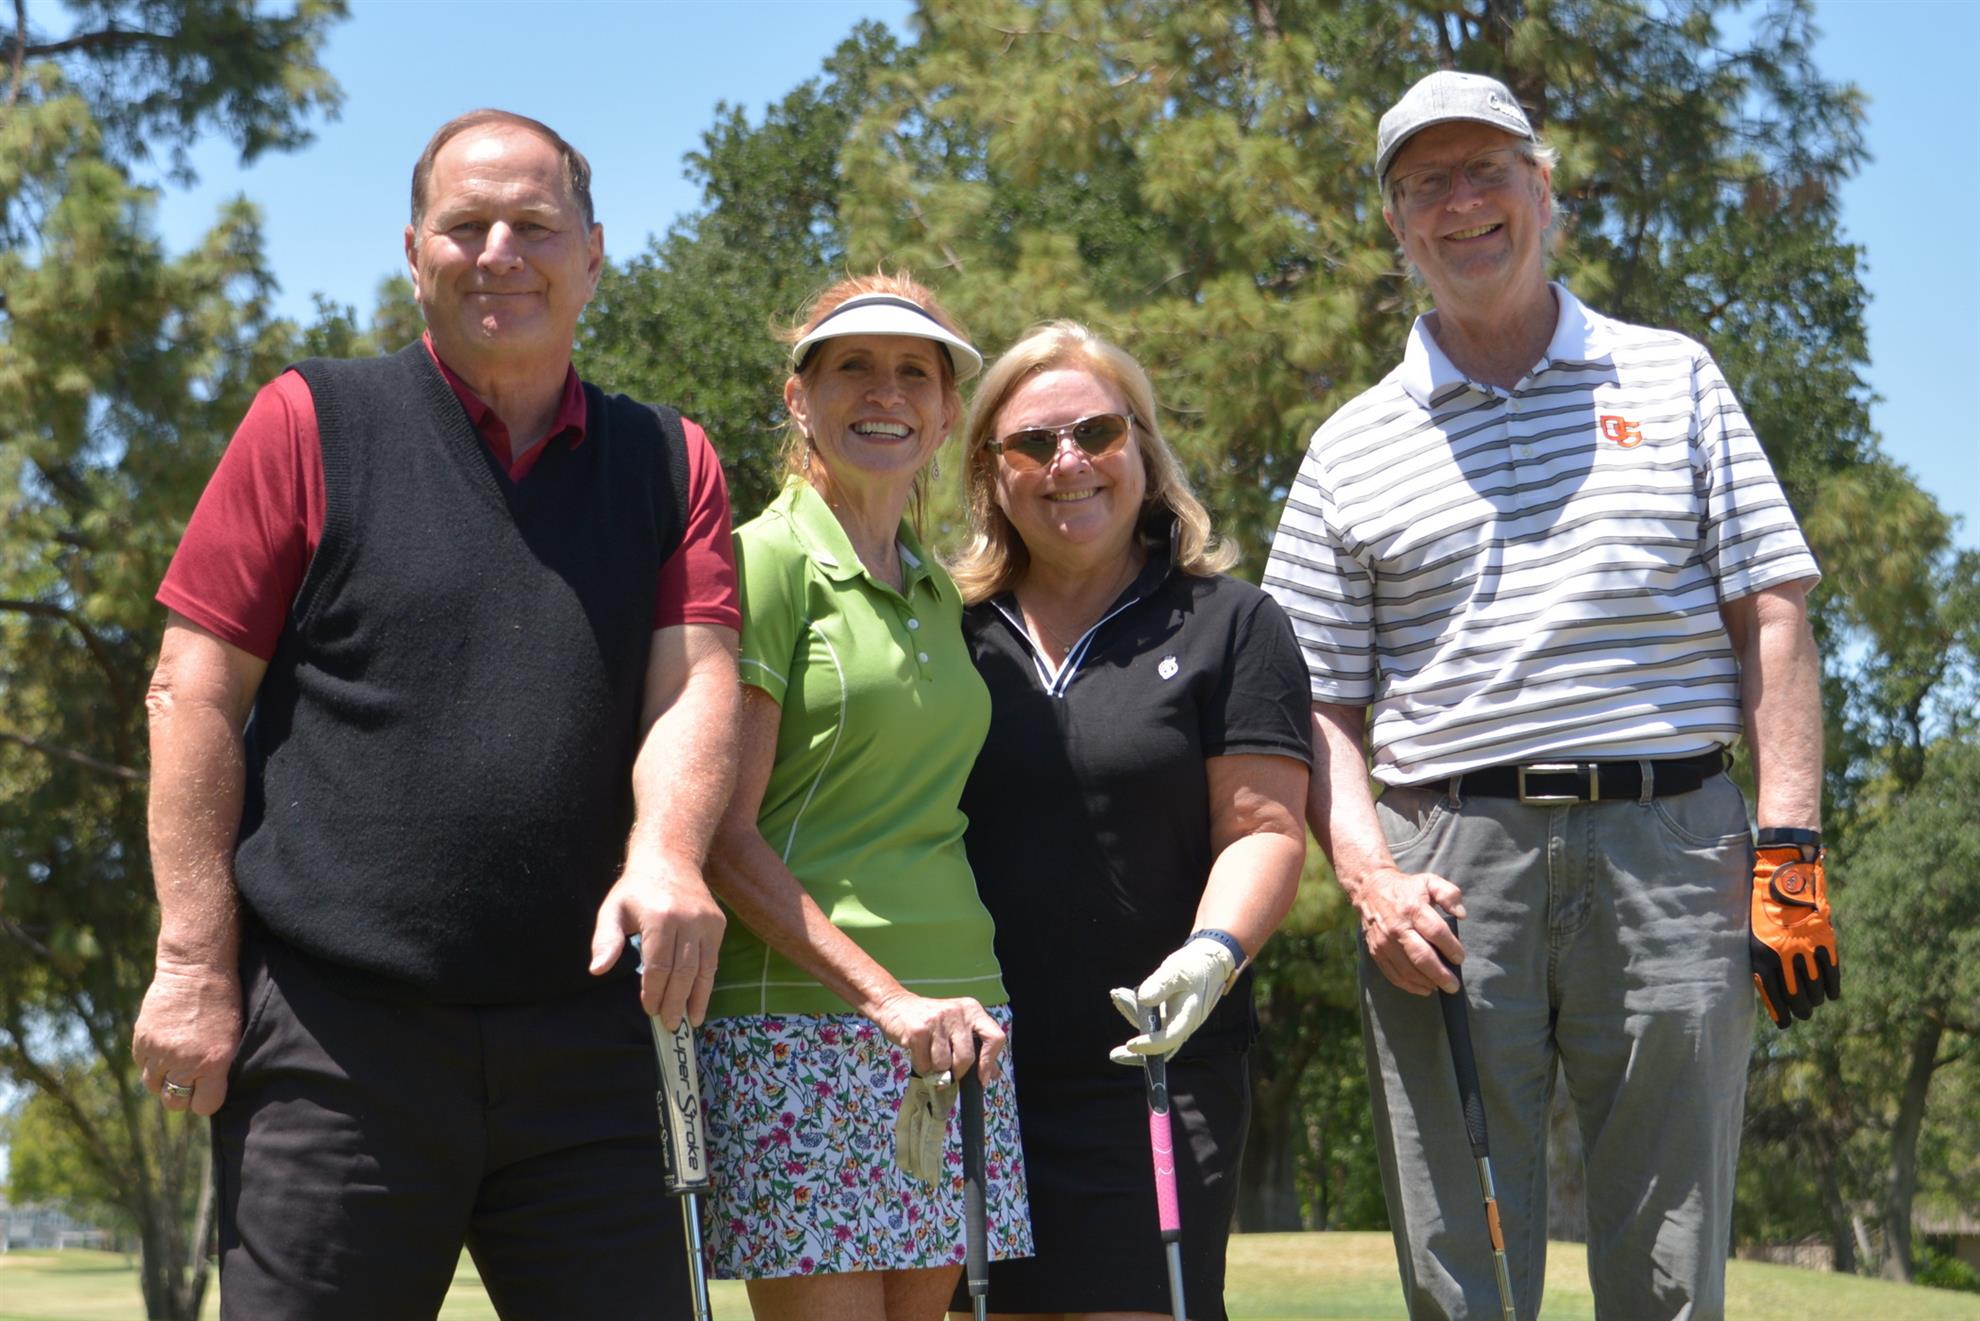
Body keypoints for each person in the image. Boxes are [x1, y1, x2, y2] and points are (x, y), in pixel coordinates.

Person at [131, 109, 742, 1319]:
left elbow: (696, 682)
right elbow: (193, 690)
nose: (500, 250)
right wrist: (193, 961)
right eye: (466, 226)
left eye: (535, 224)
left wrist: (670, 853)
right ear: (415, 254)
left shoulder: (672, 460)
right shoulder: (308, 421)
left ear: (595, 254)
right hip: (331, 1046)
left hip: (589, 1045)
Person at [1262, 71, 1836, 1320]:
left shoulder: (1675, 377)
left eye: (1487, 172)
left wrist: (1789, 848)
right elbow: (1315, 706)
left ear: (1544, 191)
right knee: (1462, 1262)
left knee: (1673, 1262)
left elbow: (1773, 613)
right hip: (1448, 870)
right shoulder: (1350, 445)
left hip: (1676, 846)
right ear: (1396, 222)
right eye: (1427, 184)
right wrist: (1367, 877)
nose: (1461, 203)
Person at [947, 322, 1310, 1320]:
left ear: (1143, 449)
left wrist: (1214, 950)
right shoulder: (944, 632)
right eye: (1031, 443)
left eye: (1098, 431)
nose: (1068, 462)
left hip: (1157, 1063)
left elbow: (1266, 829)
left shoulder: (1231, 622)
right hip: (975, 1069)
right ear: (992, 472)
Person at [700, 273, 1032, 1321]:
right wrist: (886, 1001)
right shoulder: (763, 562)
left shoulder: (940, 590)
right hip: (805, 1020)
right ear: (799, 398)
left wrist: (931, 1010)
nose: (883, 392)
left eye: (913, 373)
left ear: (943, 414)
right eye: (853, 366)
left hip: (961, 1019)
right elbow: (718, 836)